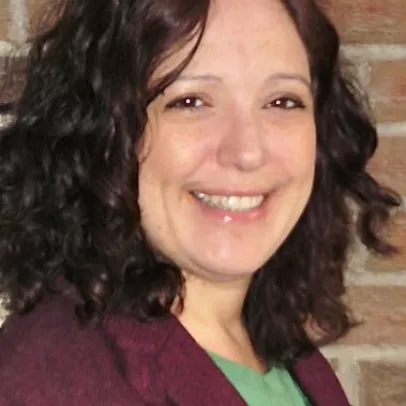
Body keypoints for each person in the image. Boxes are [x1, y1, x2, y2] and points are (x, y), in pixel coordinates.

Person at [0, 0, 400, 405]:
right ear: (103, 134)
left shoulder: (276, 349)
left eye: (283, 101)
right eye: (190, 102)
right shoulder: (53, 380)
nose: (247, 152)